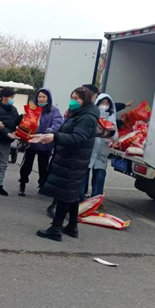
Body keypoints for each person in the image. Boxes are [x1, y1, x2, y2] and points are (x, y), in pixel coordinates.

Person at [31, 86, 98, 241]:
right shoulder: (80, 114)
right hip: (70, 159)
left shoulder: (86, 118)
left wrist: (55, 137)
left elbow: (77, 138)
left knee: (64, 194)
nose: (72, 101)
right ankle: (72, 226)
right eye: (71, 98)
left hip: (73, 161)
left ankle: (55, 229)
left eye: (76, 99)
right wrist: (51, 135)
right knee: (72, 194)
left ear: (85, 100)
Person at [18, 88, 63, 197]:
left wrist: (46, 134)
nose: (41, 99)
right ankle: (22, 184)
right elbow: (25, 123)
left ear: (48, 98)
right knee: (26, 165)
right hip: (32, 142)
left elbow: (57, 124)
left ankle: (42, 185)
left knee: (44, 166)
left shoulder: (54, 110)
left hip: (45, 143)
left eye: (44, 97)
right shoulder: (32, 109)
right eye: (39, 97)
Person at [82, 93, 118, 205]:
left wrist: (110, 135)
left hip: (102, 153)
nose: (105, 105)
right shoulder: (92, 115)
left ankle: (96, 201)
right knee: (83, 175)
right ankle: (80, 198)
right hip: (89, 151)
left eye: (107, 103)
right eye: (102, 102)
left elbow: (115, 136)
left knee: (99, 177)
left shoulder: (111, 118)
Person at [0, 87, 21, 196]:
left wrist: (23, 118)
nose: (12, 99)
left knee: (3, 164)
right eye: (11, 97)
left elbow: (15, 122)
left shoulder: (13, 109)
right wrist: (7, 133)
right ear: (5, 97)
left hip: (7, 141)